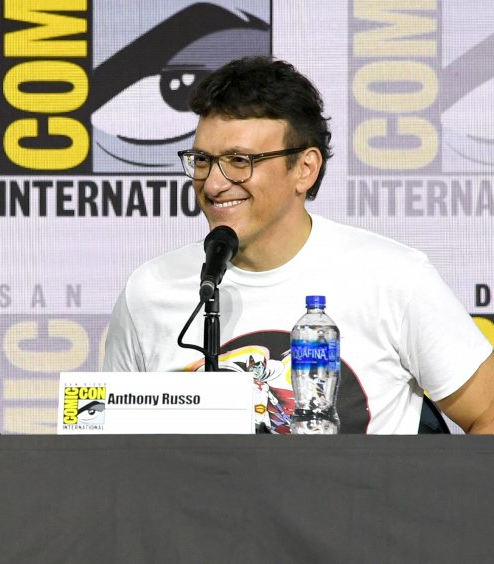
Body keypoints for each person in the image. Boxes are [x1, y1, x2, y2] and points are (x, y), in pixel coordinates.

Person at [103, 56, 494, 434]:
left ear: (305, 169)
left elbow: (488, 414)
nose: (214, 183)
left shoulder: (393, 277)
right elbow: (105, 449)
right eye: (202, 160)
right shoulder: (150, 290)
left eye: (239, 160)